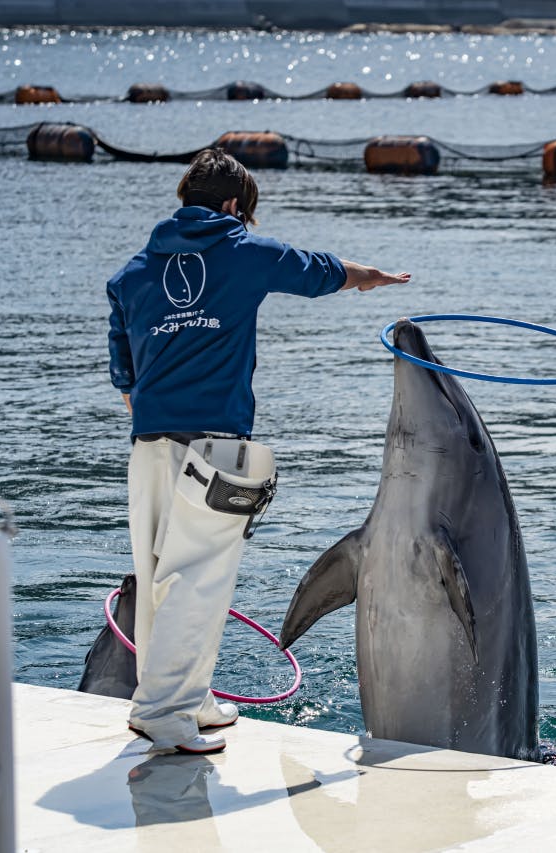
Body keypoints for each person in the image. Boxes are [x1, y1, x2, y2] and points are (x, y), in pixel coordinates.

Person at [106, 148, 409, 755]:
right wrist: (369, 276)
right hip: (212, 446)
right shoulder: (241, 251)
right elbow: (315, 269)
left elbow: (125, 374)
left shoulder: (133, 275)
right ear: (231, 206)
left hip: (148, 448)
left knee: (163, 576)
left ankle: (186, 699)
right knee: (199, 580)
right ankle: (163, 713)